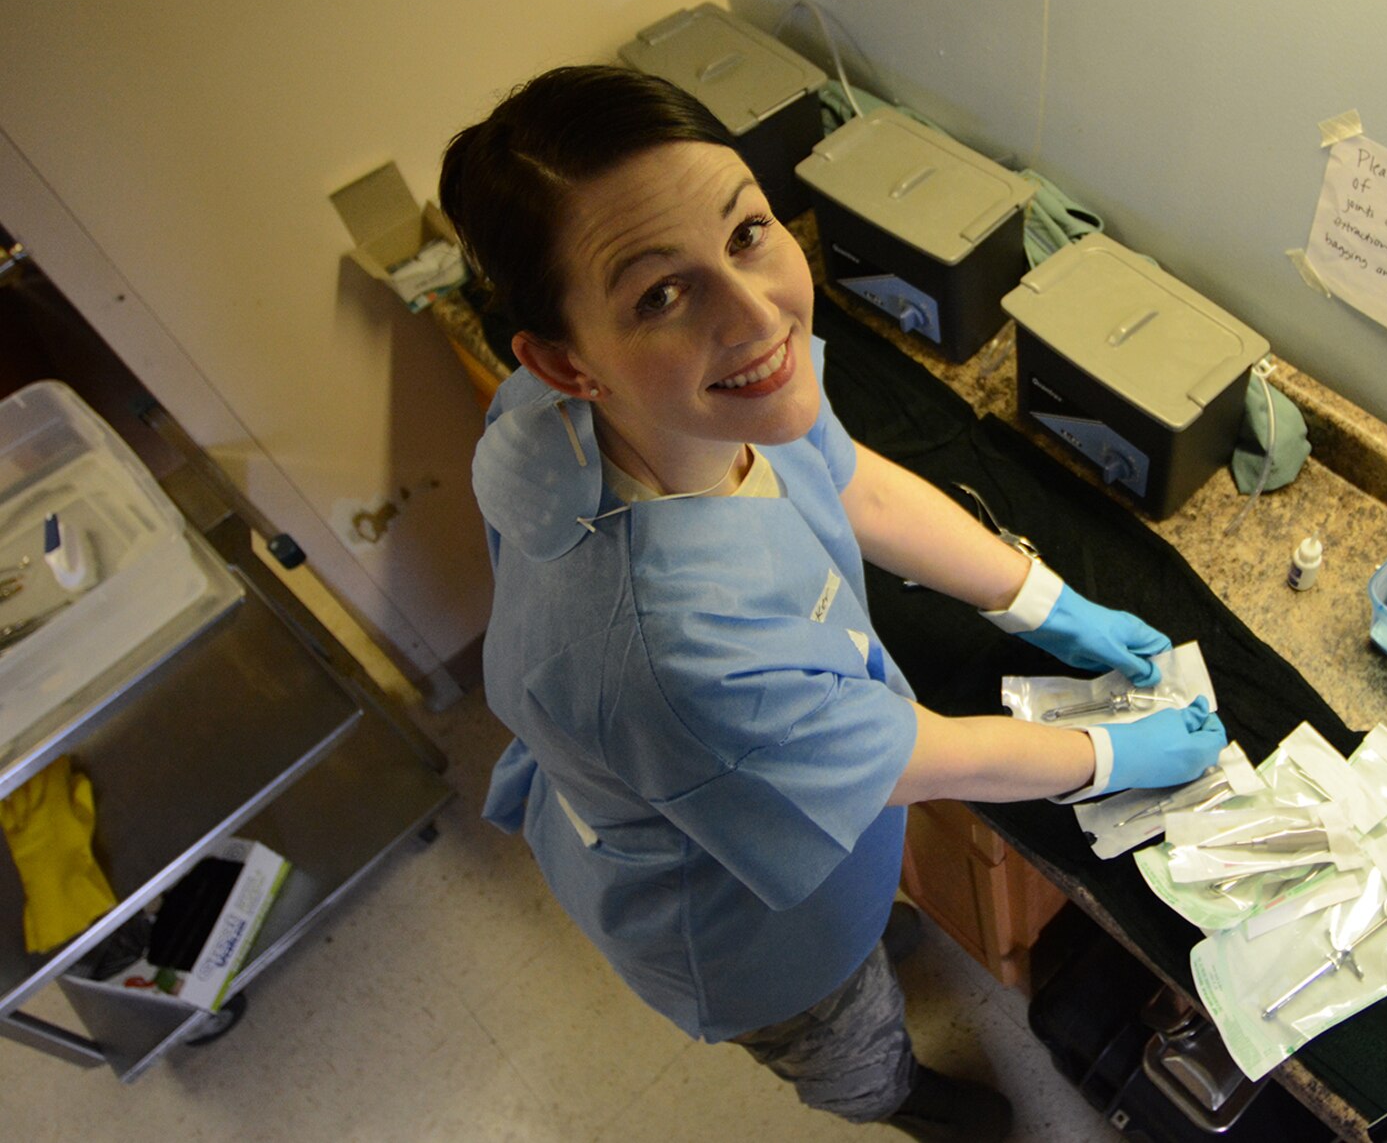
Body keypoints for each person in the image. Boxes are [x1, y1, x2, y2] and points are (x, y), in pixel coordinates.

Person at [439, 65, 1227, 1142]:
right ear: (562, 360)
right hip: (738, 918)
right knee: (837, 1023)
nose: (755, 312)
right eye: (660, 294)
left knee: (860, 919)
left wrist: (1042, 601)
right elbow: (917, 756)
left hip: (741, 783)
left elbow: (844, 475)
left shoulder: (642, 405)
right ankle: (903, 1102)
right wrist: (1115, 756)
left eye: (748, 232)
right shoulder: (675, 657)